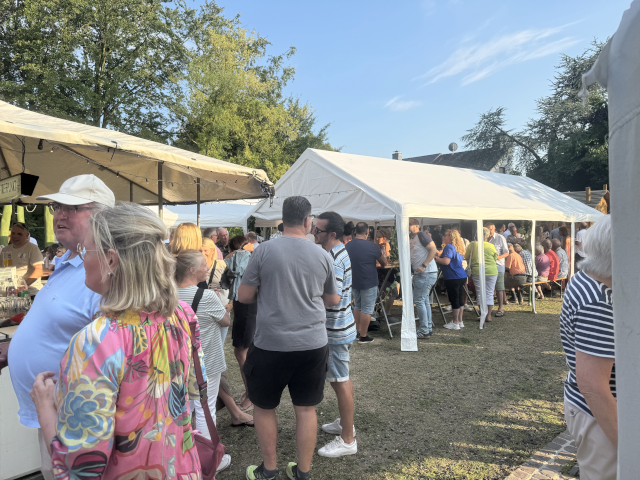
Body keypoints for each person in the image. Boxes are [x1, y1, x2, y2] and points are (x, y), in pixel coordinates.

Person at [30, 202, 210, 478]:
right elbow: (192, 395)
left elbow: (81, 466)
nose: (81, 258)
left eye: (84, 250)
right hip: (180, 468)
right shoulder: (181, 315)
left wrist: (44, 407)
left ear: (111, 260)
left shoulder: (96, 342)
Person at [8, 174, 114, 480]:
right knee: (50, 470)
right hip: (50, 409)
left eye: (73, 206)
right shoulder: (67, 259)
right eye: (57, 206)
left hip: (77, 417)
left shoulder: (103, 271)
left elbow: (112, 358)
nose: (59, 214)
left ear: (102, 215)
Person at [239, 195, 340, 480]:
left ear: (284, 219)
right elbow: (333, 298)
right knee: (306, 409)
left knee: (264, 406)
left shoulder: (263, 250)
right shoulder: (322, 255)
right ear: (308, 221)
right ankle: (303, 473)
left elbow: (244, 296)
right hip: (312, 343)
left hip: (271, 343)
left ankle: (268, 470)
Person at [560, 216, 615, 480]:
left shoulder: (589, 279)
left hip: (595, 409)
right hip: (600, 415)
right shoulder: (600, 300)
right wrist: (629, 445)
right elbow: (594, 387)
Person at [176, 251, 240, 450]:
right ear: (192, 270)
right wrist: (228, 306)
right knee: (205, 409)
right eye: (204, 265)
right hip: (206, 362)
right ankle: (207, 457)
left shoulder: (166, 295)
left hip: (177, 361)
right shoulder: (206, 297)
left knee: (182, 409)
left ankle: (183, 454)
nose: (208, 268)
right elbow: (225, 321)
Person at [313, 211, 358, 458]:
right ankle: (344, 423)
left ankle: (348, 440)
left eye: (317, 230)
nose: (313, 233)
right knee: (343, 379)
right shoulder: (338, 252)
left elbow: (334, 298)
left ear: (331, 234)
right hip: (341, 327)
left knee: (340, 382)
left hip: (336, 329)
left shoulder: (333, 258)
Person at [227, 235, 257, 412]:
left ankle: (252, 394)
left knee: (242, 352)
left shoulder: (243, 257)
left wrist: (235, 254)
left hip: (246, 307)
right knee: (243, 351)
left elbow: (235, 268)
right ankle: (250, 392)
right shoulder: (252, 256)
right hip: (244, 306)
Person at [345, 222, 387, 343]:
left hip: (354, 280)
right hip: (368, 280)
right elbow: (383, 263)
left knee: (357, 306)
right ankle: (363, 336)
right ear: (367, 232)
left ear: (354, 232)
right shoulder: (372, 246)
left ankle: (356, 333)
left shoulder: (348, 246)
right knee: (367, 309)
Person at [408, 218, 438, 338]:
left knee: (420, 301)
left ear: (416, 226)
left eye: (410, 224)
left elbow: (433, 250)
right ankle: (427, 328)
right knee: (424, 301)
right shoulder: (412, 238)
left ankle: (424, 330)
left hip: (426, 273)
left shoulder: (422, 235)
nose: (407, 226)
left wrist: (424, 265)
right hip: (424, 274)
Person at [435, 229, 467, 330]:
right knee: (459, 299)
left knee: (454, 300)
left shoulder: (449, 246)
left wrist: (435, 258)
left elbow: (446, 261)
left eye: (446, 235)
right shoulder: (458, 247)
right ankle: (460, 321)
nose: (443, 237)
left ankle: (455, 322)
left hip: (453, 276)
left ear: (451, 237)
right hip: (461, 275)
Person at [465, 227, 498, 323]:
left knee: (480, 293)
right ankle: (488, 316)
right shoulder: (491, 246)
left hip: (477, 271)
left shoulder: (472, 244)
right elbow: (495, 258)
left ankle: (482, 314)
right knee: (490, 293)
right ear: (487, 236)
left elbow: (466, 257)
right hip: (492, 271)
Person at [4, 223, 44, 296]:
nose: (15, 236)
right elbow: (2, 270)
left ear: (27, 235)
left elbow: (39, 270)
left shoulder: (33, 249)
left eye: (19, 234)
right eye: (13, 233)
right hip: (10, 294)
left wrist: (22, 286)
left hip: (30, 293)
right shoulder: (5, 250)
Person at [486, 222, 509, 317]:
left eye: (490, 229)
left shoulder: (500, 238)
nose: (488, 231)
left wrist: (498, 257)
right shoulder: (483, 239)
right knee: (488, 289)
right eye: (486, 229)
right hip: (486, 266)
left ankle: (500, 308)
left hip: (498, 266)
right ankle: (487, 310)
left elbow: (506, 253)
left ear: (494, 229)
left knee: (499, 288)